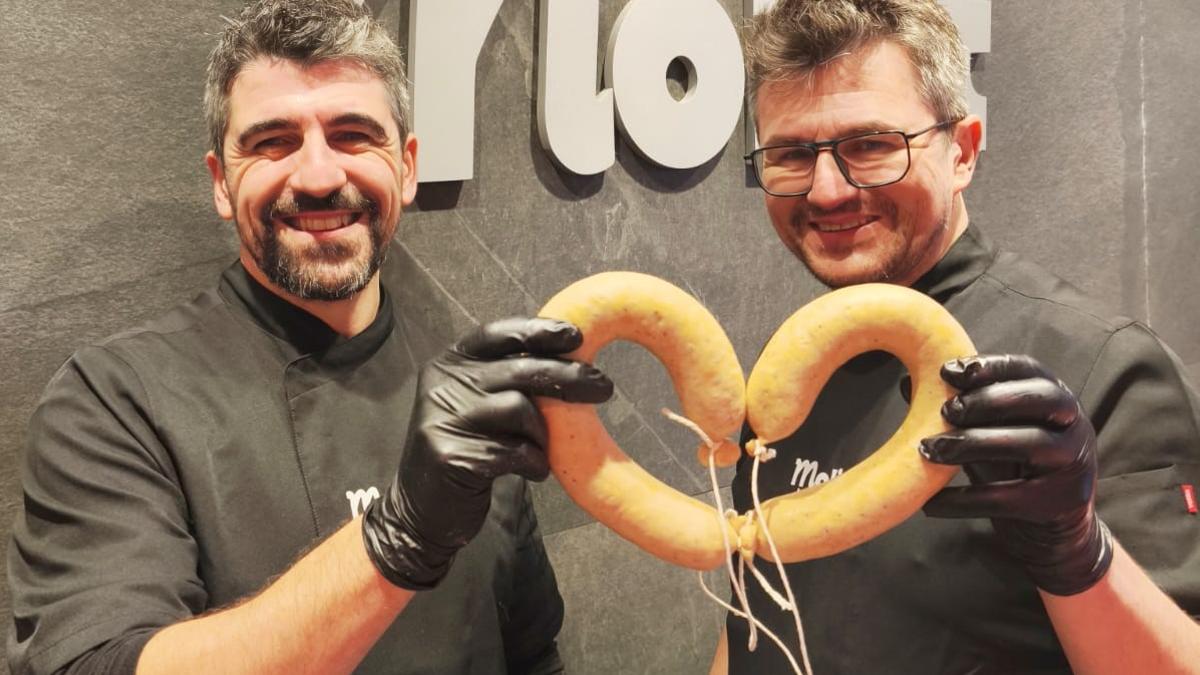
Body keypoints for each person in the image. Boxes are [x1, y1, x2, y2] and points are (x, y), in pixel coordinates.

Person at [6, 1, 613, 673]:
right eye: (272, 141)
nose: (320, 176)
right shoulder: (113, 402)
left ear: (407, 167)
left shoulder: (472, 391)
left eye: (354, 135)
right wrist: (398, 536)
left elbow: (532, 654)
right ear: (221, 183)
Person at [714, 1, 1200, 673]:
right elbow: (753, 614)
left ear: (963, 151)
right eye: (791, 154)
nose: (826, 191)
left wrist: (1077, 549)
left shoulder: (1105, 366)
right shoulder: (791, 368)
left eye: (871, 145)